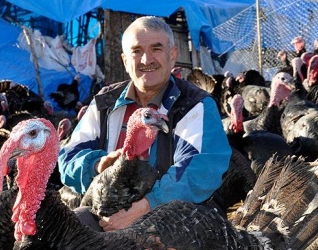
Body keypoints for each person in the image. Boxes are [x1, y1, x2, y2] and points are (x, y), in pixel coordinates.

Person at [58, 16, 231, 231]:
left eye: (156, 49)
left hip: (173, 219)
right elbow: (68, 158)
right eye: (136, 51)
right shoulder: (104, 102)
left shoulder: (195, 105)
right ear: (125, 60)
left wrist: (147, 207)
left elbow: (199, 171)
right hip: (108, 210)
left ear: (173, 55)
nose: (146, 59)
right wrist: (98, 165)